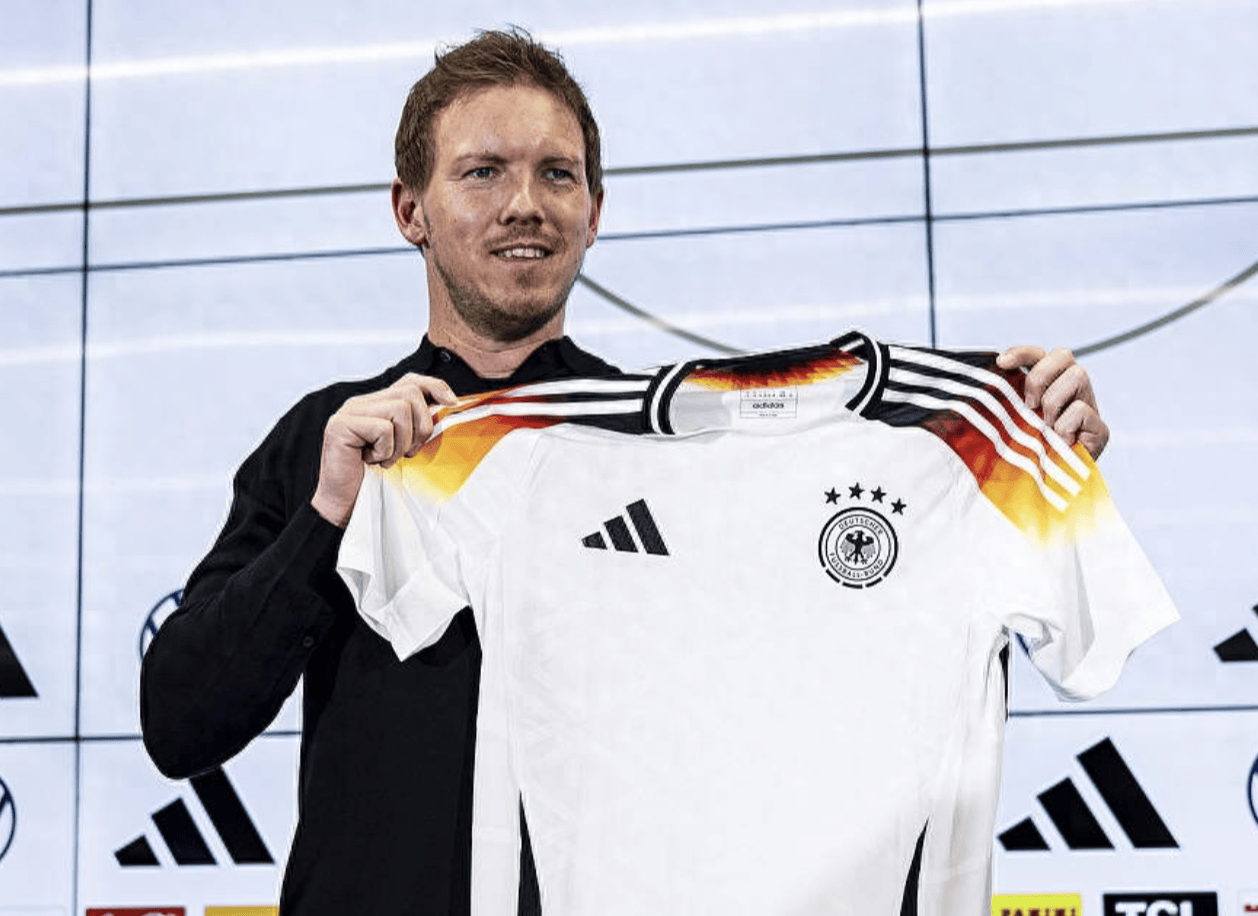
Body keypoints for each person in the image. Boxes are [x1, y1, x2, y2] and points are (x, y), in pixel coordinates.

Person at [139, 28, 1110, 916]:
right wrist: (326, 518)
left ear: (595, 212)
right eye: (482, 172)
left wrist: (1019, 469)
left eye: (556, 174)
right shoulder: (329, 441)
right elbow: (181, 724)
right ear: (410, 211)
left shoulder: (676, 449)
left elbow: (836, 659)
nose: (524, 203)